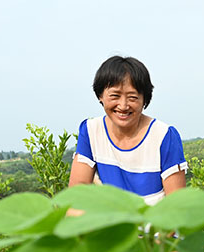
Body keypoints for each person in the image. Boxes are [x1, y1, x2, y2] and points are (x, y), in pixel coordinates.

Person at [69, 55, 187, 204]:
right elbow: (77, 195)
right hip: (110, 224)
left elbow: (176, 207)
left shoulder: (164, 136)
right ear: (100, 95)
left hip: (154, 225)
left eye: (132, 97)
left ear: (145, 99)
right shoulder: (91, 131)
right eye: (115, 96)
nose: (123, 106)